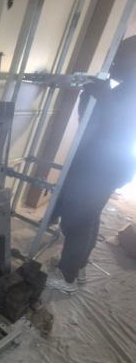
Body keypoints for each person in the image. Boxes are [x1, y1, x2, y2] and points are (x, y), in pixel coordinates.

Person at [45, 35, 136, 294]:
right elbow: (92, 121)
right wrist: (91, 95)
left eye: (120, 58)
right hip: (103, 166)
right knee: (90, 216)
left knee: (77, 220)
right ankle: (78, 266)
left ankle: (67, 277)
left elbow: (119, 126)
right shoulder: (124, 89)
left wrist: (103, 96)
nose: (113, 63)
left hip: (101, 168)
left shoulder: (130, 92)